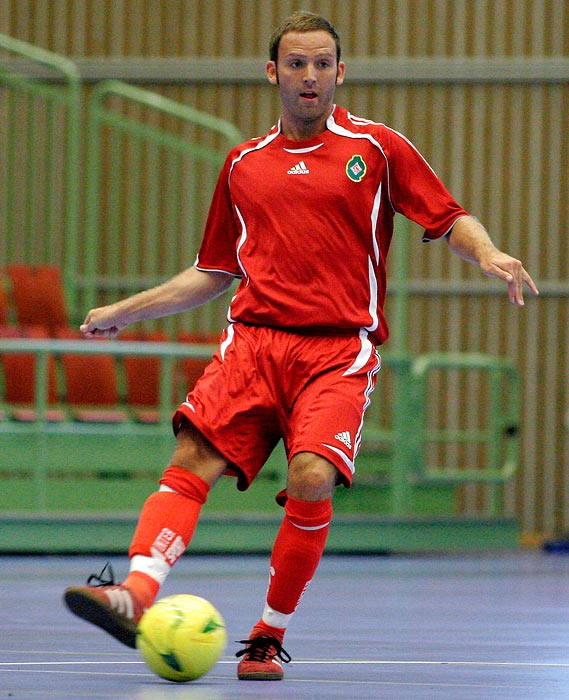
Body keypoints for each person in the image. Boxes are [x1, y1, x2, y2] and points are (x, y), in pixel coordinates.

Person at [63, 11, 539, 681]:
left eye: (322, 64)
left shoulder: (376, 149)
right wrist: (124, 310)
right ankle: (134, 593)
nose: (309, 76)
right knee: (193, 453)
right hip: (252, 344)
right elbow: (213, 270)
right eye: (296, 64)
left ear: (340, 72)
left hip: (336, 353)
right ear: (273, 73)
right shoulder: (242, 165)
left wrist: (486, 253)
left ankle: (267, 632)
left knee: (313, 477)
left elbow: (447, 214)